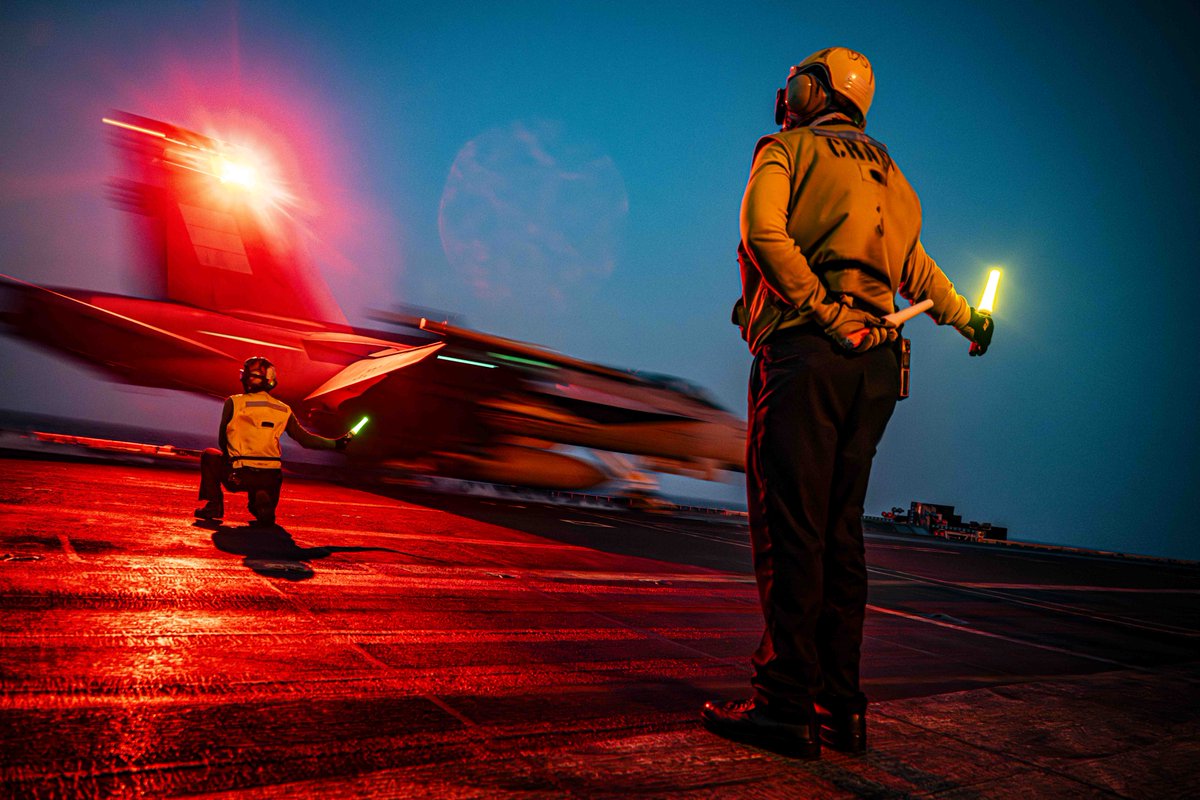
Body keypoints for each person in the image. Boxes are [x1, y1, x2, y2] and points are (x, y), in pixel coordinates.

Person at [702, 47, 994, 759]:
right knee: (841, 538)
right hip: (875, 373)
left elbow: (761, 234)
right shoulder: (892, 175)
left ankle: (782, 707)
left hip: (808, 357)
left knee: (791, 532)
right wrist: (968, 320)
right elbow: (916, 268)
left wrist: (824, 313)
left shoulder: (788, 148)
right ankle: (842, 710)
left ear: (809, 89)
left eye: (795, 80)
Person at [194, 357, 353, 525]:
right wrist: (336, 443)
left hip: (239, 474)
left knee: (209, 455)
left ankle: (214, 506)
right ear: (271, 382)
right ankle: (262, 500)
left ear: (246, 379)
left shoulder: (234, 402)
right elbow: (305, 440)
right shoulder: (283, 409)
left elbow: (222, 440)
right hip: (271, 477)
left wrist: (234, 461)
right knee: (263, 487)